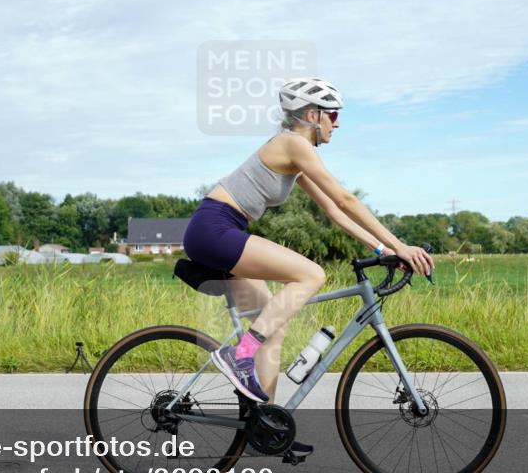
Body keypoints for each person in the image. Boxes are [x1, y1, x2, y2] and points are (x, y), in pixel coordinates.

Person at [182, 77, 434, 404]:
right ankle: (239, 354)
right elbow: (346, 199)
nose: (338, 123)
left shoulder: (294, 153)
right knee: (312, 274)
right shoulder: (293, 144)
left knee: (273, 325)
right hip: (214, 228)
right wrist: (401, 246)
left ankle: (262, 423)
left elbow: (334, 211)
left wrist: (382, 249)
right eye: (333, 114)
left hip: (221, 229)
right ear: (312, 115)